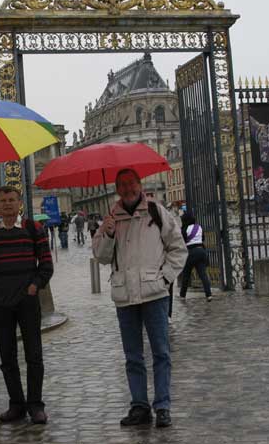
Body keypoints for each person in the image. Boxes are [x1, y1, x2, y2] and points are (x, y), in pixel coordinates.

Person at [92, 168, 186, 429]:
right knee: (133, 356)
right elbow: (101, 256)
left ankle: (163, 406)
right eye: (122, 185)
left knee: (161, 353)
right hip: (125, 297)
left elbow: (178, 248)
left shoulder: (156, 212)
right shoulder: (111, 218)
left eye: (131, 183)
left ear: (139, 184)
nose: (128, 188)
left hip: (154, 294)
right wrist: (108, 234)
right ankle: (139, 406)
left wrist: (165, 279)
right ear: (117, 189)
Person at [0, 186, 53, 425]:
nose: (7, 204)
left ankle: (36, 405)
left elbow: (46, 265)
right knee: (7, 357)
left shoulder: (33, 229)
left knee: (34, 355)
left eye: (11, 200)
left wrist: (34, 286)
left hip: (26, 301)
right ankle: (17, 404)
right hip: (0, 304)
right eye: (3, 201)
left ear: (19, 202)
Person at [179, 212, 212, 302]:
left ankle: (182, 296)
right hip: (201, 251)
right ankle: (209, 295)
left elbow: (182, 241)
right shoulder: (199, 227)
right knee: (203, 275)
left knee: (186, 275)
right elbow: (203, 238)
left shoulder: (184, 229)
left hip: (190, 253)